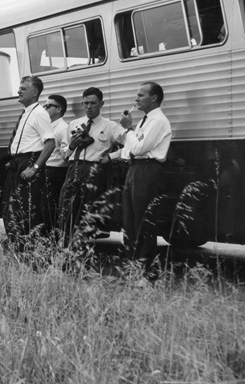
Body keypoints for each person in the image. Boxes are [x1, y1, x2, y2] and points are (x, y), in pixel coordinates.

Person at [59, 87, 128, 244]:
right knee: (67, 208)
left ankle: (85, 248)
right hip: (74, 169)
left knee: (88, 211)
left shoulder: (110, 126)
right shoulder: (74, 125)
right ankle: (66, 245)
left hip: (94, 171)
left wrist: (111, 157)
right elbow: (63, 154)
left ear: (101, 104)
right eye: (86, 103)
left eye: (93, 103)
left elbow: (128, 146)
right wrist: (72, 145)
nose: (89, 107)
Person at [120, 82, 172, 276]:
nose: (136, 99)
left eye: (141, 95)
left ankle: (145, 269)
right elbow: (130, 150)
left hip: (147, 171)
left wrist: (128, 129)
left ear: (154, 98)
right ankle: (133, 265)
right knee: (130, 219)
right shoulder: (146, 120)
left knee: (143, 220)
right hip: (136, 169)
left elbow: (139, 149)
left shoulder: (158, 121)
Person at [2, 76, 55, 238]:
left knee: (27, 208)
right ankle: (16, 244)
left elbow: (50, 143)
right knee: (13, 206)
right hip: (18, 162)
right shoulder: (27, 113)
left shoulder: (39, 113)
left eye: (23, 88)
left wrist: (35, 168)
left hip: (29, 161)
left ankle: (29, 247)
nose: (19, 91)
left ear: (35, 92)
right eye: (20, 87)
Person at [41, 95, 70, 236]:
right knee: (43, 209)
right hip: (45, 170)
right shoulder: (48, 127)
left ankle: (52, 241)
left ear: (58, 109)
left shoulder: (63, 128)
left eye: (48, 106)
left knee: (50, 209)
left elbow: (66, 154)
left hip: (56, 172)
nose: (44, 108)